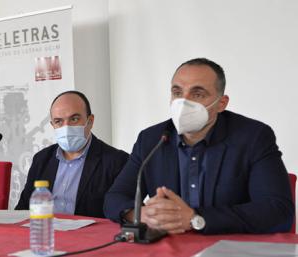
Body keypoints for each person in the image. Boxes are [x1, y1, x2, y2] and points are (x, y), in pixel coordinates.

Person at [104, 58, 294, 234]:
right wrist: (140, 214)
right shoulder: (151, 139)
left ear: (221, 103)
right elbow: (114, 198)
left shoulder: (253, 137)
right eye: (177, 92)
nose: (183, 102)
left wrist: (196, 218)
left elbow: (277, 211)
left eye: (197, 94)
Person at [15, 91, 129, 218]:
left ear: (90, 121)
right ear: (53, 125)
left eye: (74, 119)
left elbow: (125, 212)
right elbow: (23, 208)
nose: (66, 127)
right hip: (46, 232)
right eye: (59, 121)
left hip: (90, 236)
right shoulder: (42, 159)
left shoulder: (117, 161)